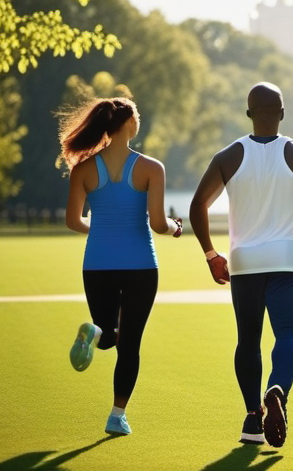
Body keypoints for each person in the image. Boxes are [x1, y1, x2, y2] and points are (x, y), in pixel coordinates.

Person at [189, 82, 293, 448]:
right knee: (288, 337)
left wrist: (211, 254)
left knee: (248, 342)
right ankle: (277, 388)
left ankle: (253, 419)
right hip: (286, 260)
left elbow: (197, 207)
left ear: (249, 113)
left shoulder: (228, 157)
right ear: (282, 113)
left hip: (244, 262)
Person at [57, 97, 182, 436]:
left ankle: (94, 332)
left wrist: (100, 228)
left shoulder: (83, 168)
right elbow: (157, 224)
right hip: (141, 264)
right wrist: (174, 226)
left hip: (98, 263)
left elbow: (73, 220)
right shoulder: (151, 168)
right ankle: (116, 416)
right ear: (129, 124)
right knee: (130, 344)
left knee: (107, 336)